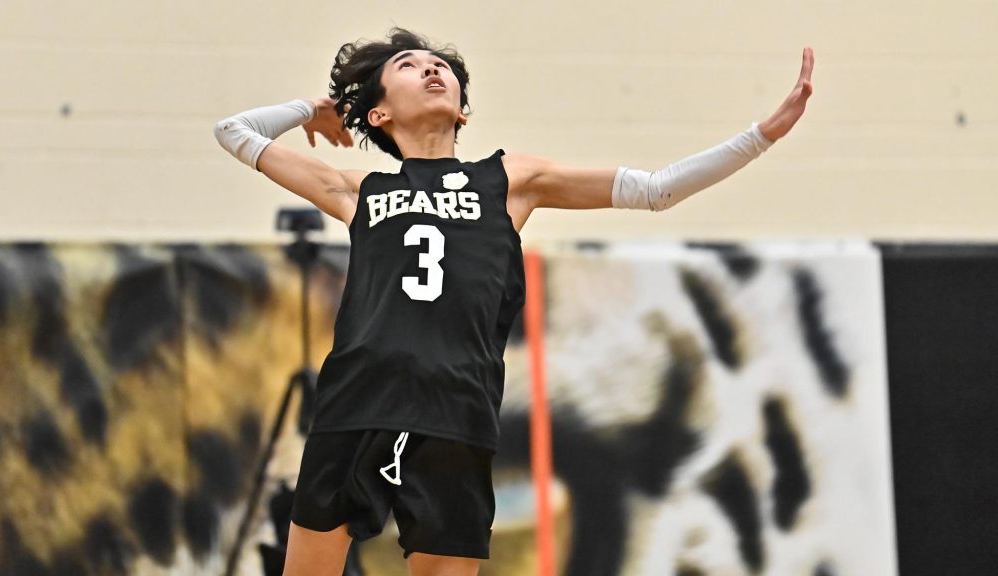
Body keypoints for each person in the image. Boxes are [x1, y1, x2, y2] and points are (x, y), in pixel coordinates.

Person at [214, 27, 814, 576]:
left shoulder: (508, 181)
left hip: (456, 412)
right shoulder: (358, 189)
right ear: (380, 111)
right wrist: (311, 109)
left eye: (440, 66)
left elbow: (654, 190)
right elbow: (234, 132)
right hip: (358, 402)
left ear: (463, 109)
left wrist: (761, 137)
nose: (430, 70)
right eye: (407, 64)